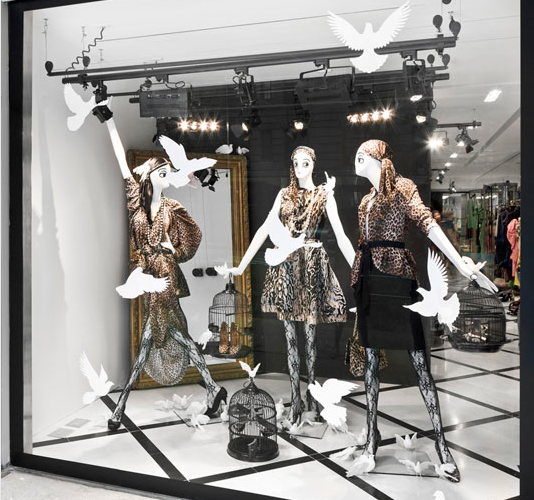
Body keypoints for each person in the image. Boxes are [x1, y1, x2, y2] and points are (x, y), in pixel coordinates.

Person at [351, 139, 496, 482]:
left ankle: (442, 444)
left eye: (361, 156)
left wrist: (460, 263)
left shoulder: (403, 188)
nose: (355, 161)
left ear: (377, 158)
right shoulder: (365, 201)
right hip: (370, 282)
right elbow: (361, 245)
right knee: (370, 362)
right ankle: (371, 440)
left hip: (398, 280)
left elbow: (427, 223)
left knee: (419, 361)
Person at [102, 114, 226, 430]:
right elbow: (121, 162)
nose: (167, 175)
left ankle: (120, 409)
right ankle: (214, 388)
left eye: (168, 172)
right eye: (162, 172)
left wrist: (175, 250)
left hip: (165, 274)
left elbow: (193, 235)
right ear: (150, 176)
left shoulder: (172, 208)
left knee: (150, 337)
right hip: (147, 274)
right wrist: (110, 120)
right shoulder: (136, 201)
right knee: (166, 334)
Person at [228, 146, 355, 423]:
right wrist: (241, 265)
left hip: (311, 265)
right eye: (295, 162)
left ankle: (311, 397)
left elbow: (341, 235)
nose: (299, 168)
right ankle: (296, 399)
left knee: (310, 337)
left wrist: (358, 268)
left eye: (305, 163)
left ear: (314, 164)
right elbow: (264, 228)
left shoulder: (323, 195)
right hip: (286, 266)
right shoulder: (284, 194)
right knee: (290, 337)